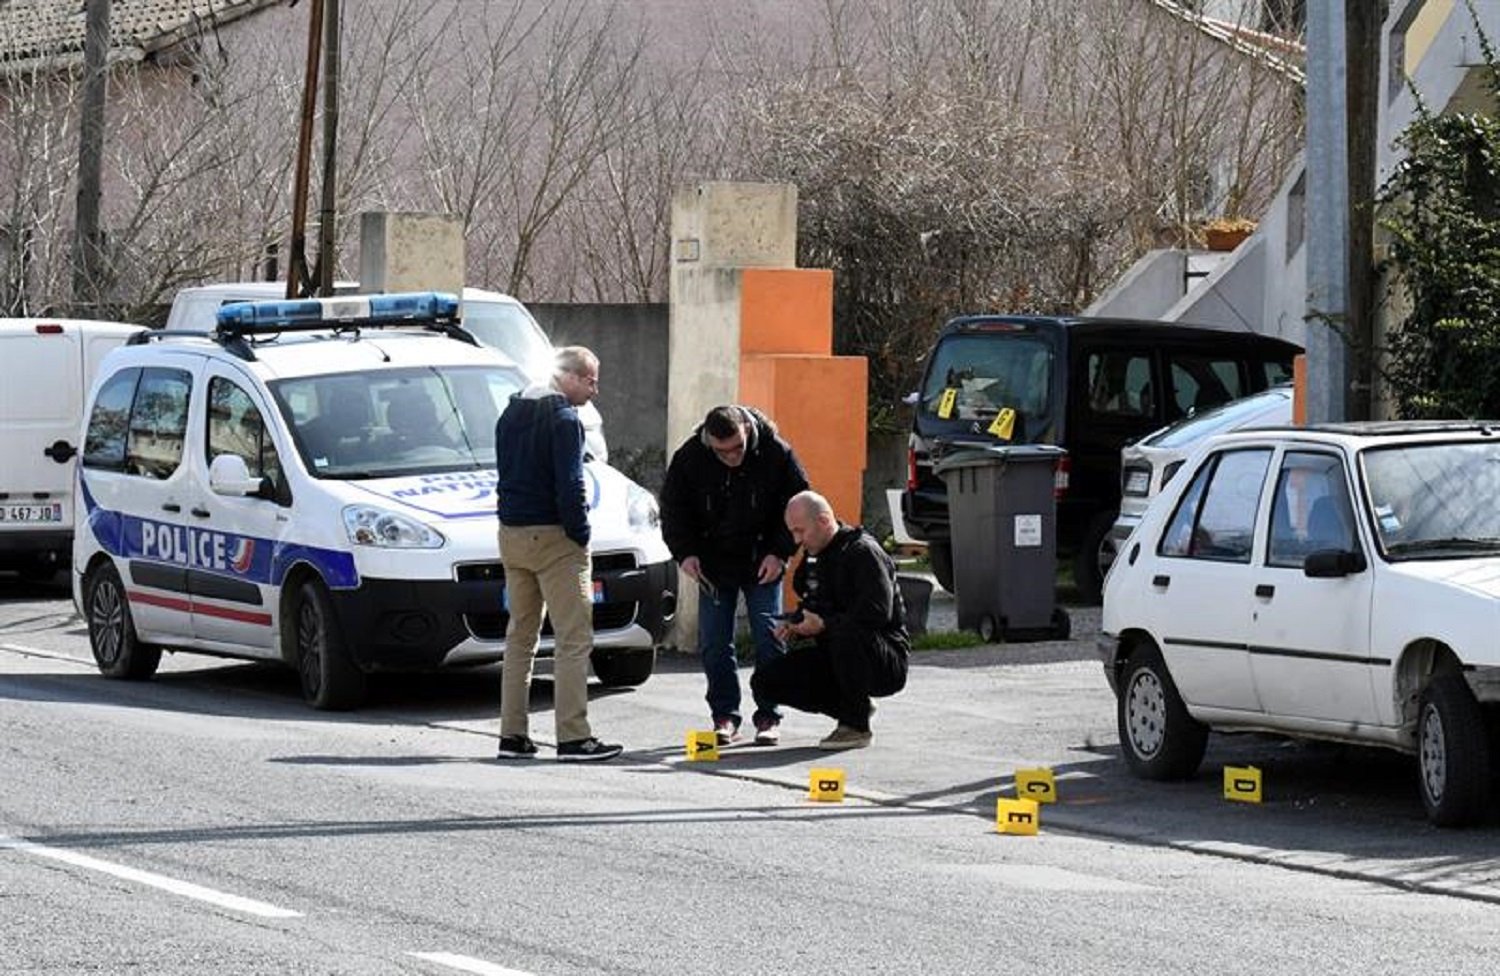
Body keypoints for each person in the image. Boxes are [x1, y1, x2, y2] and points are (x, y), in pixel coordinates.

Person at [493, 346, 622, 762]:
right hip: (554, 538)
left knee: (521, 637)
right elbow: (571, 484)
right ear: (566, 376)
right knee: (573, 638)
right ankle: (573, 737)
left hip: (511, 532)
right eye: (590, 380)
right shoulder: (565, 419)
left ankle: (512, 736)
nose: (595, 390)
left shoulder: (510, 412)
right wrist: (580, 534)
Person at [661, 404, 810, 745]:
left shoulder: (776, 453)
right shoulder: (690, 457)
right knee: (714, 642)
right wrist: (685, 554)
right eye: (722, 452)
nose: (732, 457)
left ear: (746, 429)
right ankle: (725, 716)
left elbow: (800, 503)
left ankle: (769, 716)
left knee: (769, 637)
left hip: (762, 559)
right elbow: (673, 511)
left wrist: (780, 551)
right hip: (713, 564)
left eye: (738, 448)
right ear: (708, 441)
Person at [752, 490, 910, 750]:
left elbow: (875, 613)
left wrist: (824, 625)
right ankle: (853, 706)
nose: (796, 540)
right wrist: (796, 625)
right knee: (766, 681)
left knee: (845, 632)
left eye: (800, 531)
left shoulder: (862, 552)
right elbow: (814, 605)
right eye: (793, 532)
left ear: (824, 521)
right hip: (837, 654)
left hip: (883, 658)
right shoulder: (815, 556)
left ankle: (856, 726)